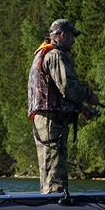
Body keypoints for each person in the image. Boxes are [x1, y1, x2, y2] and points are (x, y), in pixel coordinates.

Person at [28, 19, 99, 194]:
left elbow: (55, 92)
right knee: (54, 174)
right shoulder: (55, 55)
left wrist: (81, 109)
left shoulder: (42, 53)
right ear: (63, 35)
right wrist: (90, 96)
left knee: (49, 170)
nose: (73, 41)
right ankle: (55, 209)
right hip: (51, 123)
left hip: (44, 121)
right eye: (72, 36)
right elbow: (68, 88)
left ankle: (49, 207)